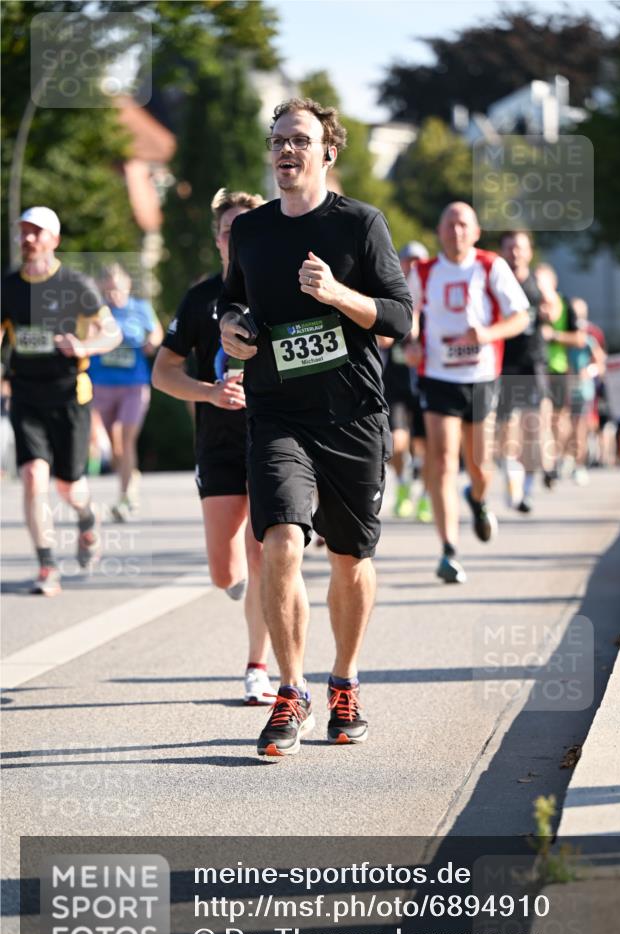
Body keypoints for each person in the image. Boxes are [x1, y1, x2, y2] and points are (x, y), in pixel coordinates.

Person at [219, 98, 412, 758]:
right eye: (276, 140)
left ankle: (344, 681)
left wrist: (335, 295)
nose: (284, 151)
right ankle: (291, 690)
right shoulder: (250, 231)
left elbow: (397, 317)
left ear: (327, 151)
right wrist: (230, 329)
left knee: (350, 560)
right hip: (277, 413)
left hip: (352, 415)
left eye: (299, 139)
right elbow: (231, 298)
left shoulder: (360, 224)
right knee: (278, 541)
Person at [152, 189, 276, 707]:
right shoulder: (201, 297)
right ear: (218, 237)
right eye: (228, 228)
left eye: (245, 226)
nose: (236, 235)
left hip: (271, 436)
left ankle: (257, 666)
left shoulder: (279, 290)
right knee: (227, 572)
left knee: (263, 550)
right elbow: (162, 373)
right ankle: (245, 592)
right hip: (218, 442)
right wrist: (209, 392)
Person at [0, 206, 121, 595]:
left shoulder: (75, 285)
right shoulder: (8, 286)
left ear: (54, 239)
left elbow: (112, 334)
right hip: (25, 394)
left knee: (70, 487)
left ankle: (87, 518)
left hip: (70, 395)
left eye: (36, 233)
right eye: (23, 232)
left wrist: (83, 344)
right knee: (34, 475)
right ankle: (47, 565)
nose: (28, 239)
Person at [406, 202, 529, 584]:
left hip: (480, 375)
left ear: (475, 232)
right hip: (438, 375)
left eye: (463, 224)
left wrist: (488, 334)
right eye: (449, 224)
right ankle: (448, 549)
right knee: (441, 461)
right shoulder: (425, 272)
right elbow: (408, 312)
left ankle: (476, 498)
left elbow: (521, 316)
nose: (456, 231)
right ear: (439, 232)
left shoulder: (491, 266)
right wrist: (410, 340)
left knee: (480, 465)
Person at [89, 263, 163, 521]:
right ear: (101, 288)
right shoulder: (96, 311)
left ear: (128, 286)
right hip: (102, 385)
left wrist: (150, 343)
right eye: (108, 290)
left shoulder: (140, 308)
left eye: (117, 289)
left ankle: (125, 497)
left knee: (125, 436)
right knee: (115, 444)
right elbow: (86, 338)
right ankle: (129, 477)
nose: (113, 295)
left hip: (134, 384)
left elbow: (156, 334)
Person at [496, 230, 549, 514]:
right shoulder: (496, 281)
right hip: (504, 361)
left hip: (532, 361)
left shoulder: (538, 282)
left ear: (529, 252)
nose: (515, 252)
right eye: (510, 247)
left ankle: (527, 488)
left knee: (532, 427)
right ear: (503, 251)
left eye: (520, 247)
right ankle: (511, 475)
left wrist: (548, 304)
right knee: (505, 428)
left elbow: (552, 309)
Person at [380, 241, 431, 521]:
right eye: (408, 261)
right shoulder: (390, 292)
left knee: (427, 446)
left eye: (418, 261)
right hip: (396, 381)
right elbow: (384, 338)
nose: (413, 266)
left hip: (427, 382)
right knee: (397, 442)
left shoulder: (433, 292)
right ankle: (402, 483)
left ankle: (424, 495)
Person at [533, 263, 583, 486]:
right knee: (542, 418)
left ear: (553, 283)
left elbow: (579, 339)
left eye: (543, 282)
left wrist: (553, 335)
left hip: (559, 369)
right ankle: (548, 463)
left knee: (559, 421)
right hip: (536, 369)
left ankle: (560, 456)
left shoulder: (566, 305)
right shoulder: (528, 304)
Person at [565, 297, 606, 485]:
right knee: (563, 426)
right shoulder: (563, 334)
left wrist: (588, 372)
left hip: (582, 389)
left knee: (579, 428)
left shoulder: (590, 337)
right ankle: (563, 458)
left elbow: (600, 362)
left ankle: (578, 465)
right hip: (562, 387)